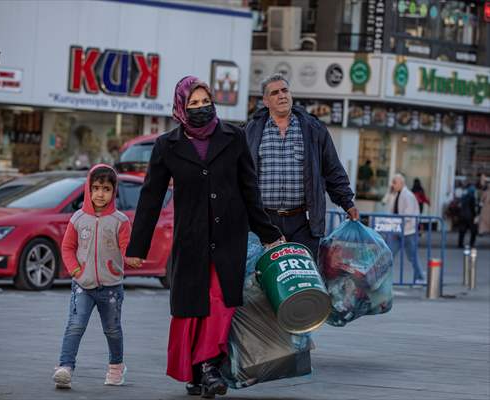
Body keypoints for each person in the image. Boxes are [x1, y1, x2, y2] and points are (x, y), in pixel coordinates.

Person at [125, 76, 283, 398]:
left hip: (229, 239)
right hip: (191, 240)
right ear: (181, 108)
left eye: (205, 101)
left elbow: (249, 189)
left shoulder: (233, 137)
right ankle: (197, 372)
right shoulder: (166, 145)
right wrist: (137, 247)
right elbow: (151, 197)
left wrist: (268, 233)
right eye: (193, 104)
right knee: (192, 308)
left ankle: (210, 366)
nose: (200, 108)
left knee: (219, 302)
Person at [245, 74, 358, 260]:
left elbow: (332, 169)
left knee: (303, 279)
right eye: (275, 93)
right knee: (261, 281)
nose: (282, 95)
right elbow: (239, 175)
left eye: (285, 90)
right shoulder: (251, 131)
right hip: (263, 222)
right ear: (265, 101)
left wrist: (347, 202)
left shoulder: (313, 128)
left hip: (303, 222)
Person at [52, 165, 133, 389]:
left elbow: (126, 248)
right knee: (75, 325)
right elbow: (67, 247)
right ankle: (65, 367)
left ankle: (116, 368)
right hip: (82, 285)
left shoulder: (121, 221)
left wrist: (132, 258)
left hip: (111, 287)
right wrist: (76, 270)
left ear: (114, 191)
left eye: (106, 189)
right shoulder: (78, 218)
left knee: (113, 330)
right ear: (88, 189)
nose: (100, 194)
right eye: (95, 188)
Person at [385, 174, 425, 283]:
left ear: (401, 183)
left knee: (412, 257)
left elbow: (408, 214)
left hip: (408, 231)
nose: (392, 185)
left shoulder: (408, 195)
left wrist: (395, 222)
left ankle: (420, 277)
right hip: (397, 230)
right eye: (392, 182)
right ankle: (382, 278)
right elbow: (391, 209)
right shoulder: (396, 194)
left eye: (394, 182)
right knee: (390, 254)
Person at [458, 183, 478, 248]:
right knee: (474, 231)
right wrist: (475, 215)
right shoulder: (472, 197)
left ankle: (460, 244)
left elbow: (460, 205)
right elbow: (473, 208)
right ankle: (471, 244)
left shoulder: (463, 196)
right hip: (470, 216)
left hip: (462, 215)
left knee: (462, 231)